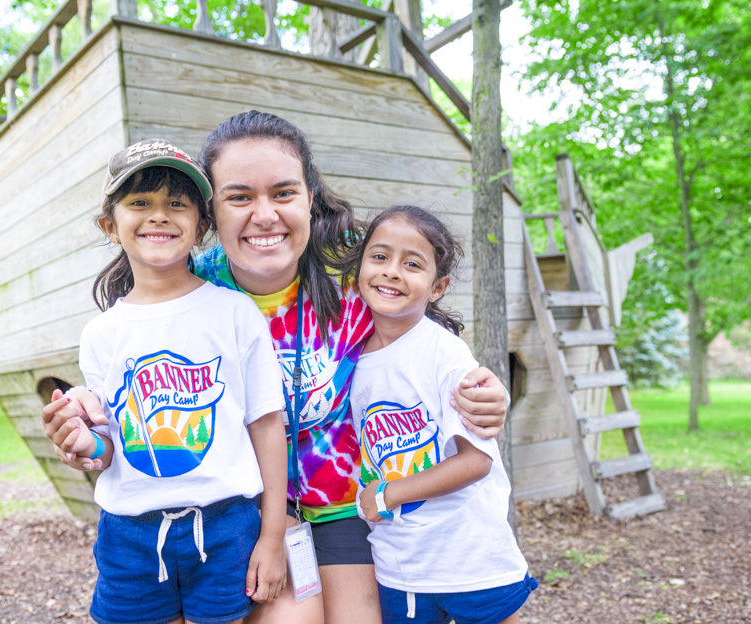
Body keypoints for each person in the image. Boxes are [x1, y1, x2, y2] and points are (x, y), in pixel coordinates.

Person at [46, 112, 510, 624]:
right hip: (239, 515)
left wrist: (483, 391)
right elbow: (130, 384)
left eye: (283, 193)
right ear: (210, 213)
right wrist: (87, 423)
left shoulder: (354, 283)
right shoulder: (186, 293)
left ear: (310, 198)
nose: (264, 215)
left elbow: (422, 345)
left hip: (343, 506)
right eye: (240, 197)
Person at [45, 139, 289, 624]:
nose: (158, 215)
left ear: (201, 227)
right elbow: (108, 445)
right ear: (109, 226)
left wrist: (272, 536)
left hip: (226, 525)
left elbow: (266, 427)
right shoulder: (100, 334)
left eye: (176, 203)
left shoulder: (234, 313)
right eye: (140, 203)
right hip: (128, 534)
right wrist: (82, 445)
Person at [348, 206, 535, 624]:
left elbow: (475, 461)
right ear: (359, 268)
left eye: (412, 264)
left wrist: (387, 495)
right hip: (401, 564)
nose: (392, 272)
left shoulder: (444, 353)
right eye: (379, 257)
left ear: (438, 287)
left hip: (469, 558)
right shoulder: (350, 355)